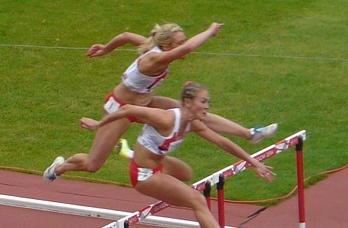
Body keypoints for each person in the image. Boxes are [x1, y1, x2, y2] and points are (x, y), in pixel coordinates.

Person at [45, 22, 277, 182]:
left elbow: (126, 37)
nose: (183, 46)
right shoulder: (155, 58)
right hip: (121, 107)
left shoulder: (154, 47)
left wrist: (106, 49)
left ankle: (250, 134)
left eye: (183, 40)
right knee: (93, 165)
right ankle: (59, 167)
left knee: (193, 112)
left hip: (146, 103)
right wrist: (210, 30)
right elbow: (188, 48)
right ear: (166, 46)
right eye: (178, 43)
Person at [81, 82, 274, 228]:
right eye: (203, 101)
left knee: (187, 173)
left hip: (157, 163)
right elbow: (126, 110)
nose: (207, 107)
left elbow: (222, 142)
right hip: (143, 175)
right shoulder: (166, 119)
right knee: (196, 200)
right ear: (189, 103)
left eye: (208, 102)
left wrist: (254, 162)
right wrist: (99, 125)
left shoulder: (192, 124)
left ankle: (129, 153)